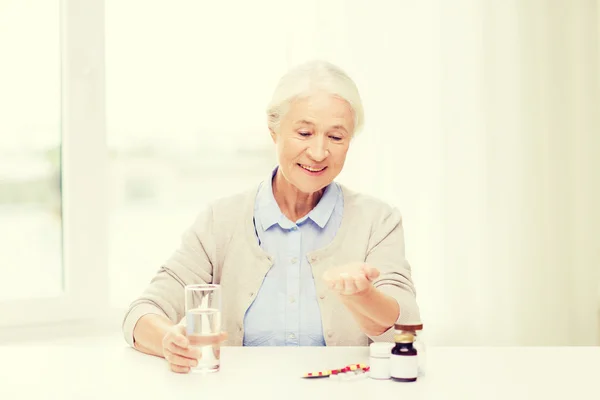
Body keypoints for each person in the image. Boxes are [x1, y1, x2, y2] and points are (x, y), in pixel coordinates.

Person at [122, 60, 422, 373]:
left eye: (336, 137)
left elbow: (407, 323)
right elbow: (142, 312)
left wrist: (363, 296)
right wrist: (168, 341)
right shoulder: (220, 220)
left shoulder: (378, 221)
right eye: (304, 132)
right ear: (274, 131)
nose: (319, 152)